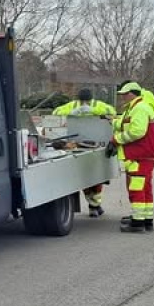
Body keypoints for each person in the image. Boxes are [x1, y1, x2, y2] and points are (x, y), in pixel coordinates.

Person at [53, 88, 115, 217]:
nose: (84, 103)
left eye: (86, 101)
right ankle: (94, 205)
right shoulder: (73, 105)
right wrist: (72, 112)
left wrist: (93, 111)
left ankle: (95, 205)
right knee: (86, 178)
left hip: (95, 143)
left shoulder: (98, 105)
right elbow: (56, 112)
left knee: (96, 178)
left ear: (91, 99)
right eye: (82, 101)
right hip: (78, 143)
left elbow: (111, 112)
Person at [114, 81, 154, 233]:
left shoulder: (139, 108)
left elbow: (137, 131)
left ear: (132, 94)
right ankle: (146, 219)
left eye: (124, 94)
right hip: (145, 153)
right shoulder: (137, 107)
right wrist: (113, 121)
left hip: (141, 154)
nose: (122, 97)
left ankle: (137, 223)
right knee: (145, 187)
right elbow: (126, 124)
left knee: (136, 187)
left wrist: (117, 139)